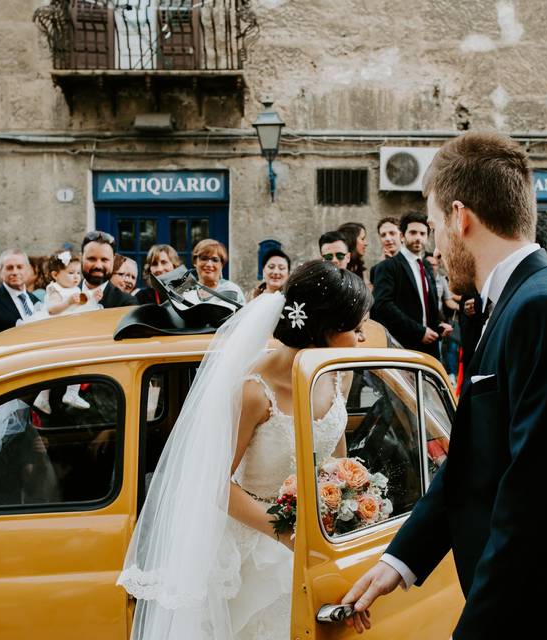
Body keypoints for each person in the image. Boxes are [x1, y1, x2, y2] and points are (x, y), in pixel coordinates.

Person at [342, 132, 547, 638]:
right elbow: (475, 455)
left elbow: (535, 503)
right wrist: (399, 561)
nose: (437, 247)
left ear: (460, 217)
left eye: (436, 223)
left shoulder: (546, 310)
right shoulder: (522, 300)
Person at [118, 260, 372, 640]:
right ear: (324, 331)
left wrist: (347, 506)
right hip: (252, 551)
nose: (363, 338)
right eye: (355, 329)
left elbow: (336, 461)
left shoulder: (336, 372)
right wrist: (285, 532)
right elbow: (215, 485)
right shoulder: (254, 390)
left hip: (314, 543)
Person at [371, 211, 453, 359]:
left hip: (430, 347)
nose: (418, 238)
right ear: (402, 236)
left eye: (422, 234)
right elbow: (383, 305)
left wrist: (438, 326)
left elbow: (426, 307)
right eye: (413, 232)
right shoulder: (387, 267)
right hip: (403, 347)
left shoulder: (426, 266)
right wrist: (419, 331)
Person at [27, 251, 91, 412]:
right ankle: (49, 396)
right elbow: (52, 309)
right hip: (59, 332)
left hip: (72, 331)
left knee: (76, 362)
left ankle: (61, 394)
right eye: (71, 273)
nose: (76, 277)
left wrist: (93, 297)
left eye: (78, 273)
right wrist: (68, 301)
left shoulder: (75, 289)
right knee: (57, 365)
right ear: (55, 275)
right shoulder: (55, 289)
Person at [79, 230, 137, 309]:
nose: (98, 266)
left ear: (113, 260)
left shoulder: (126, 303)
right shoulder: (63, 292)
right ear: (81, 258)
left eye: (104, 260)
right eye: (92, 259)